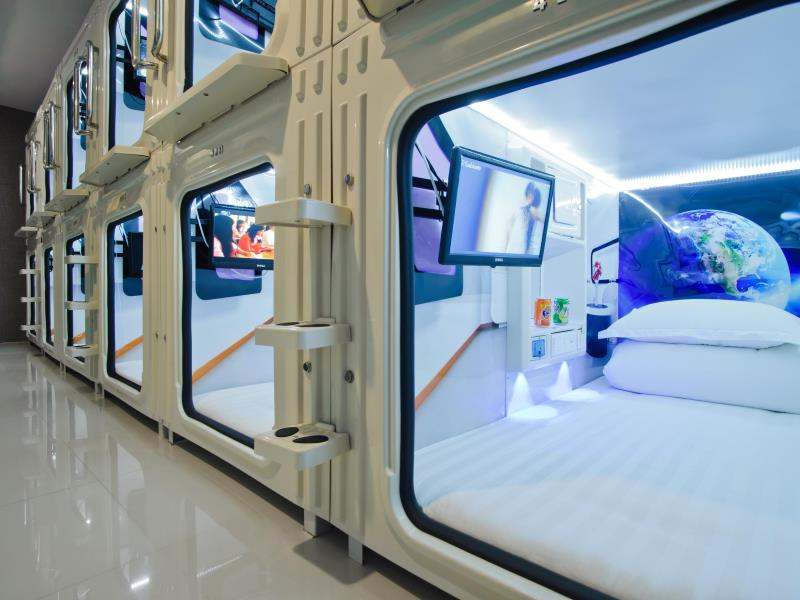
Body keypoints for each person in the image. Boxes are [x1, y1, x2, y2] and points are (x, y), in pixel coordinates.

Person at [505, 181, 546, 254]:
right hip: (514, 250)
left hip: (528, 251)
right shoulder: (519, 208)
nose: (530, 199)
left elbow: (544, 220)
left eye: (532, 196)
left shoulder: (535, 212)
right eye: (529, 196)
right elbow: (508, 225)